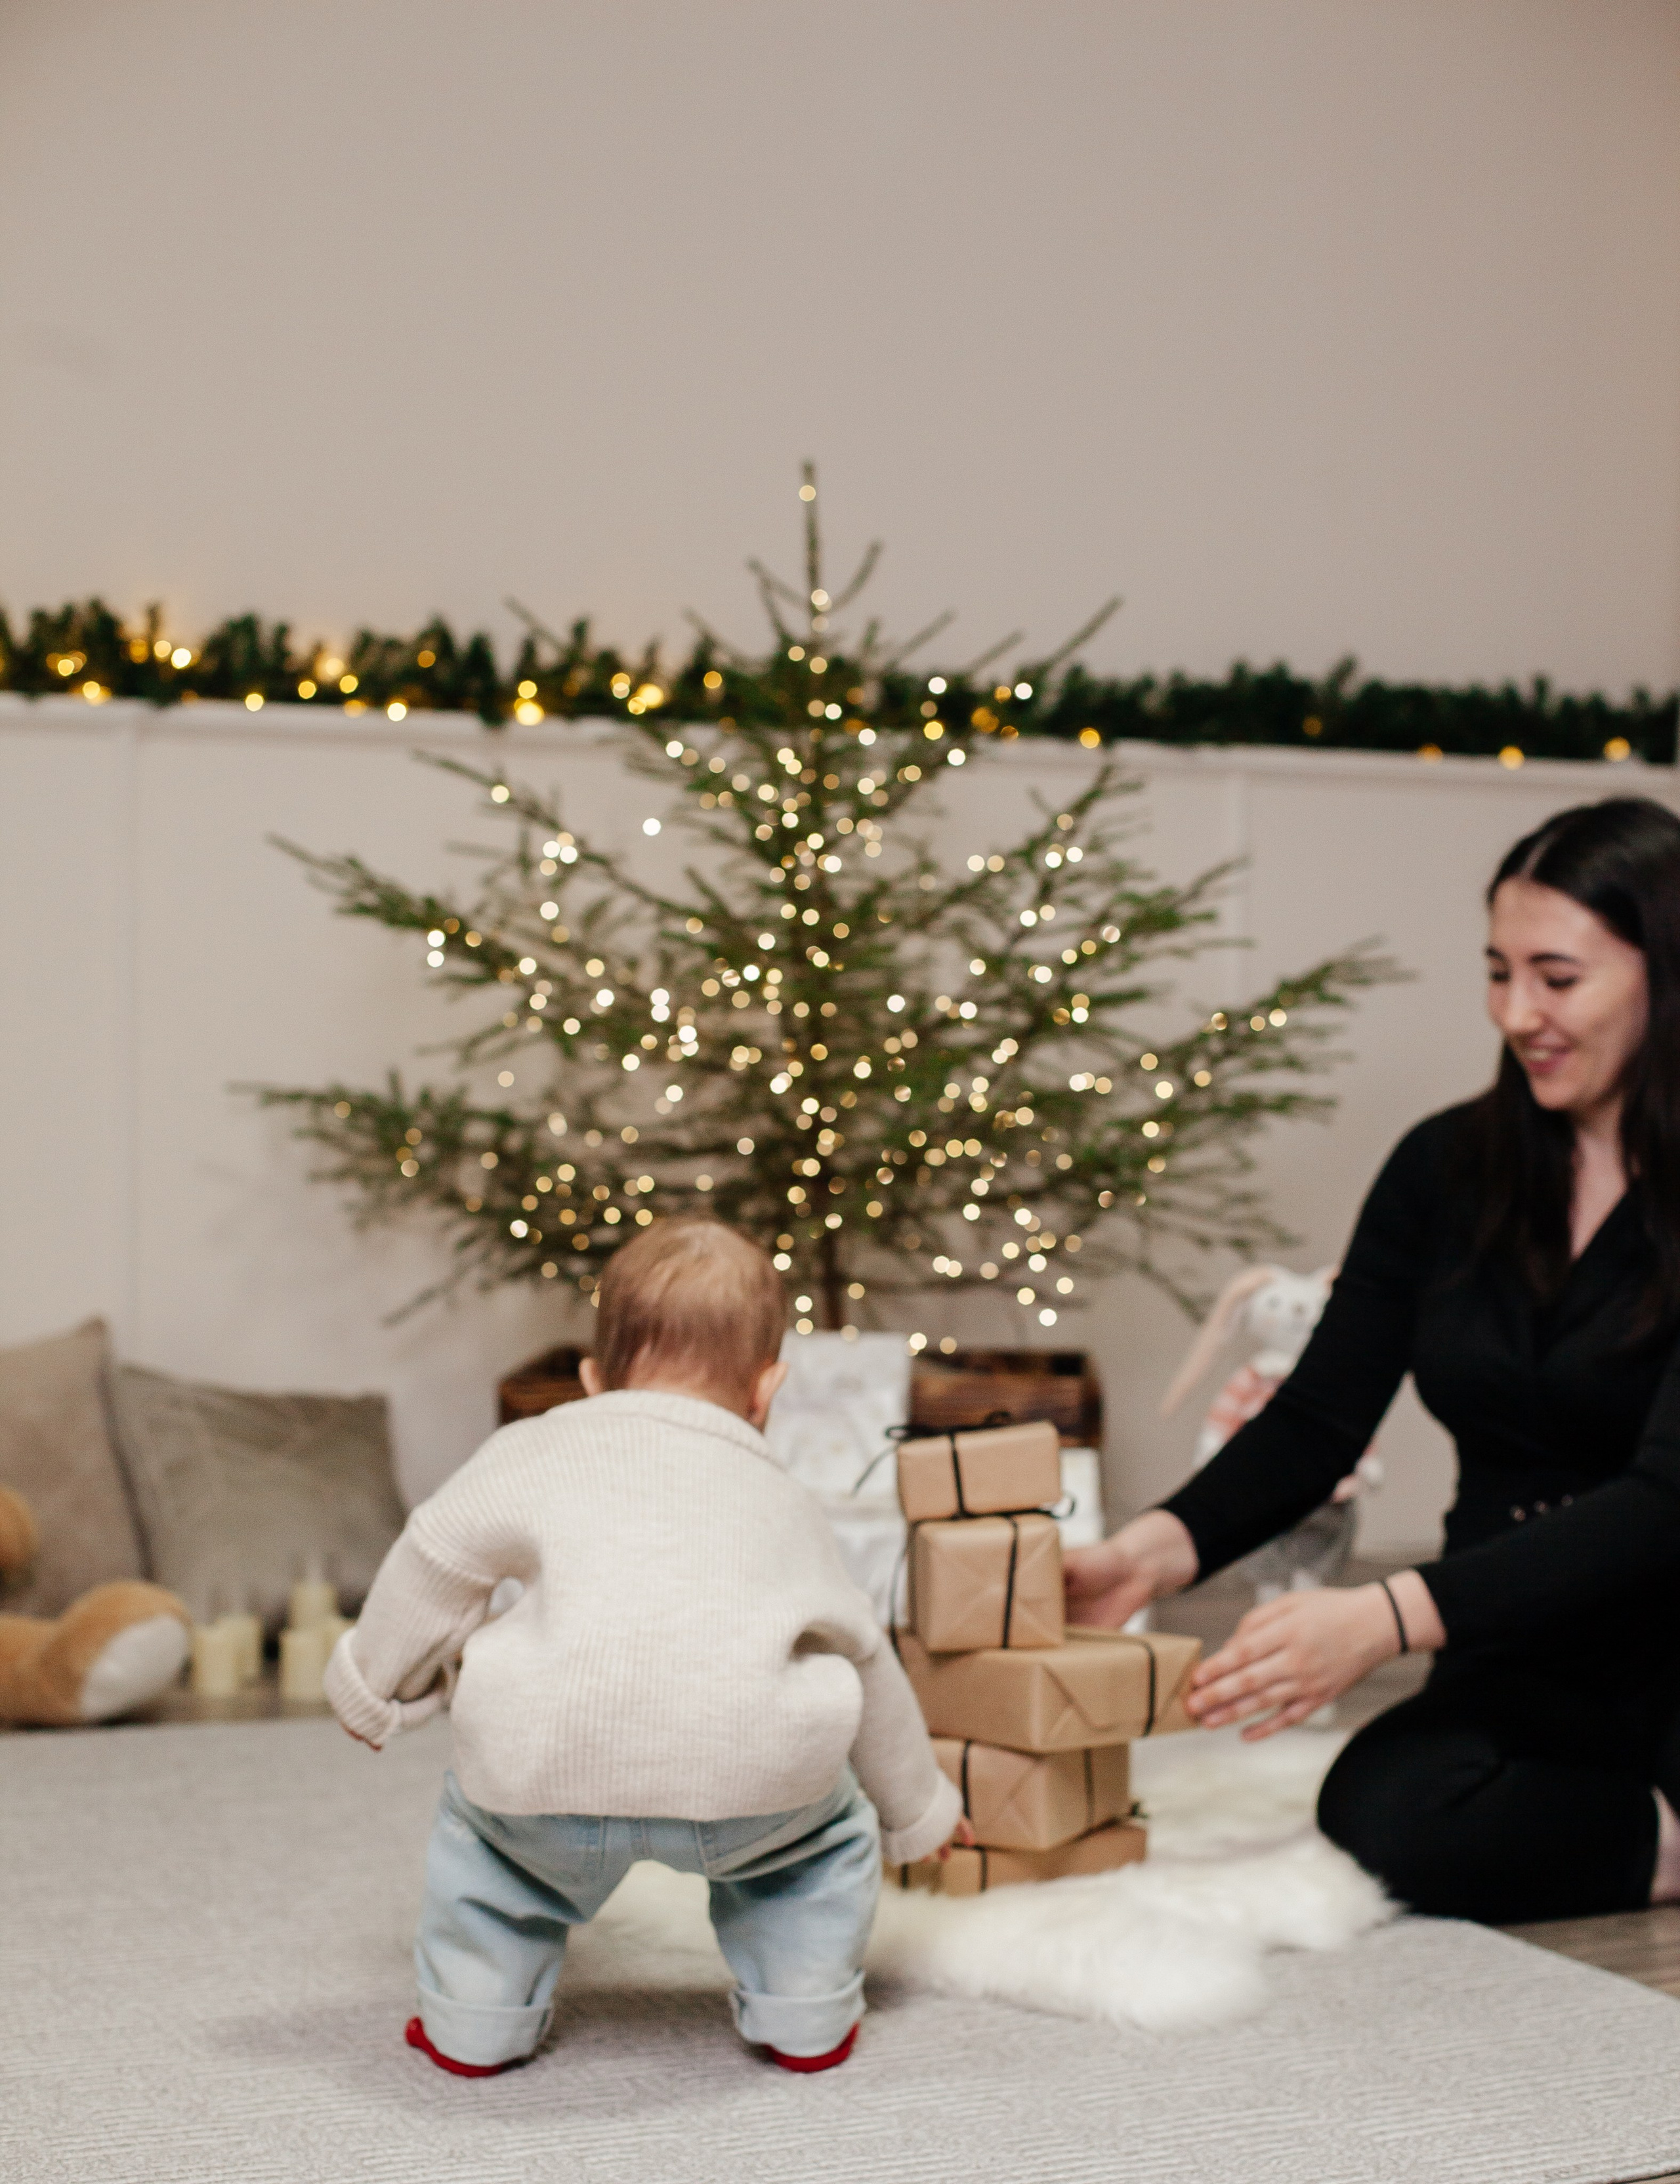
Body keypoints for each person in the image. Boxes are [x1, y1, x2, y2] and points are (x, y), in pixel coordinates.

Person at [1064, 796, 1680, 1927]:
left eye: (1557, 978)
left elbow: (1663, 1504)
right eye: (1498, 973)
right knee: (1384, 1813)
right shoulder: (1446, 1168)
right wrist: (1147, 1556)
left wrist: (1388, 1616)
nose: (1518, 1014)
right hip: (1516, 1642)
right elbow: (1318, 1417)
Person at [326, 1216, 964, 2076]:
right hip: (752, 1788)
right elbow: (862, 1653)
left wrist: (371, 1686)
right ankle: (804, 2014)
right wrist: (917, 1812)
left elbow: (434, 1561)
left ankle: (476, 2021)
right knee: (818, 1848)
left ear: (593, 1381)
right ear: (767, 1388)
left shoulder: (530, 1450)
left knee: (491, 1862)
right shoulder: (785, 1500)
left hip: (545, 1774)